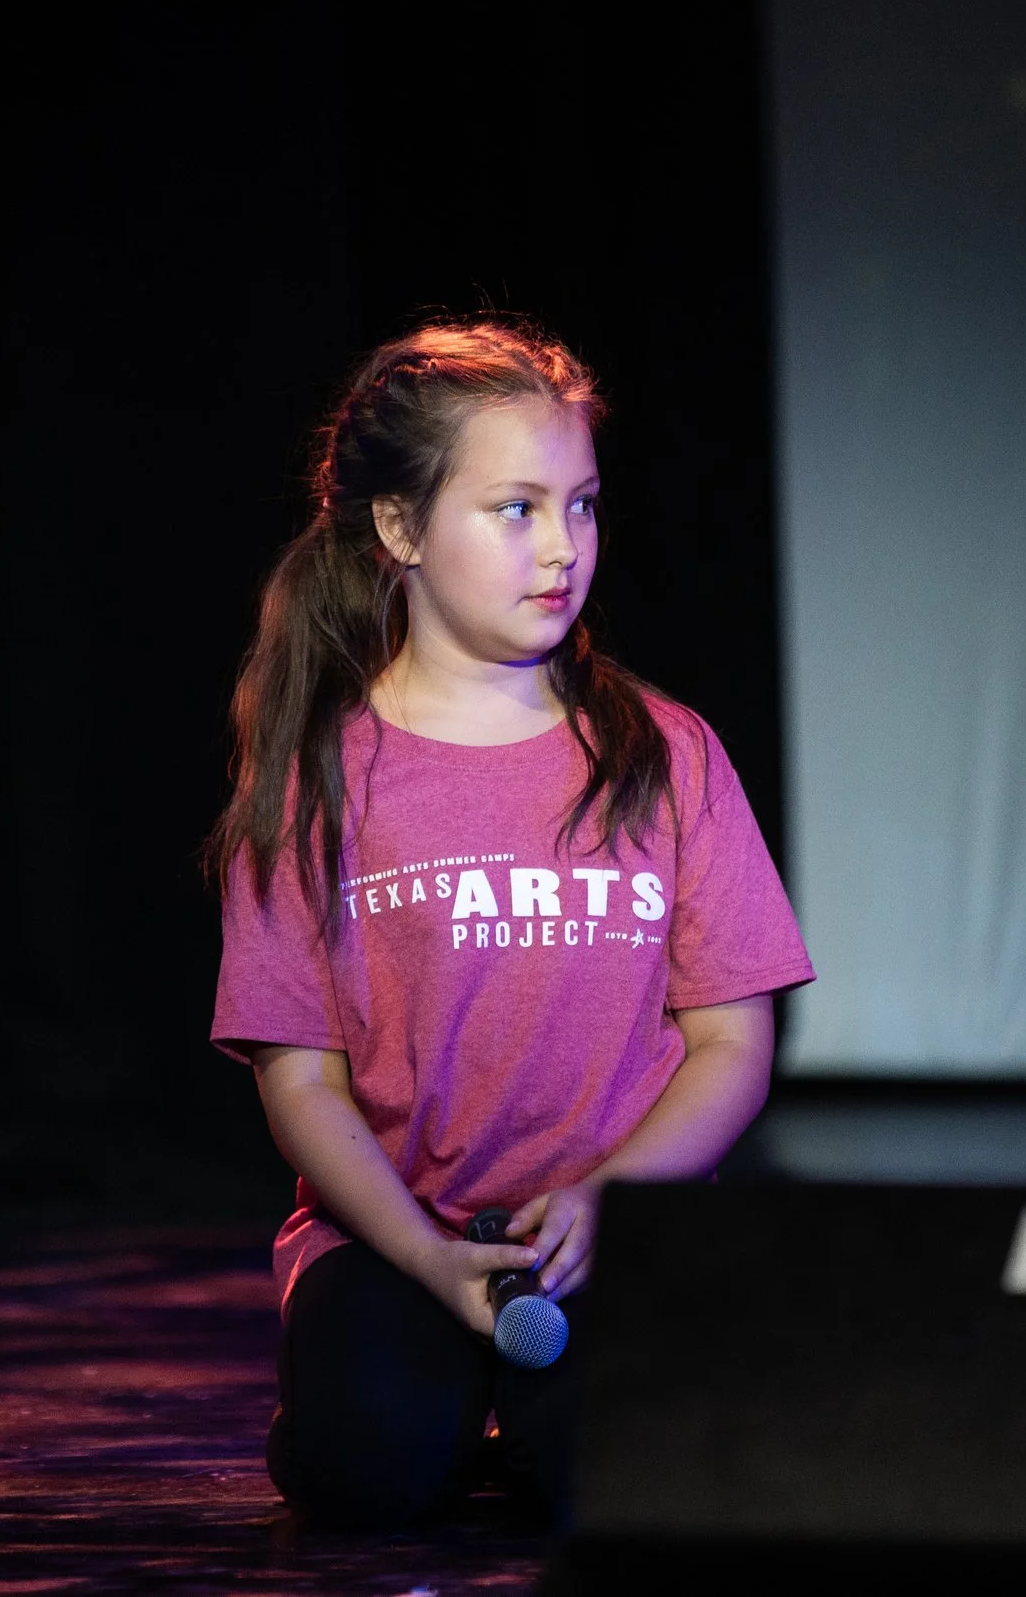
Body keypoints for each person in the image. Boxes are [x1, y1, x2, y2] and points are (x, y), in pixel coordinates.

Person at [207, 318, 814, 1527]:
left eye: (581, 505)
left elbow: (731, 1045)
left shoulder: (665, 753)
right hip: (397, 1233)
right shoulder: (320, 772)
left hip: (612, 1223)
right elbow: (302, 1081)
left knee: (628, 1474)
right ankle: (420, 1395)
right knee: (363, 1470)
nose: (562, 548)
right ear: (399, 529)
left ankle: (527, 1418)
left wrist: (605, 1195)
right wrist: (429, 1260)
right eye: (515, 509)